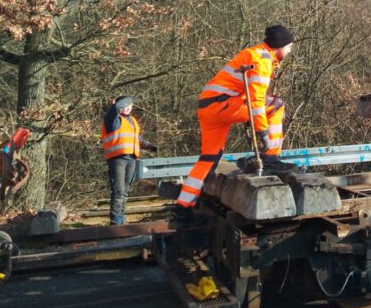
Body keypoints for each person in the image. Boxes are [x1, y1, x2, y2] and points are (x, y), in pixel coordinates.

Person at [172, 24, 294, 222]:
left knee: (209, 157)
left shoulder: (254, 53)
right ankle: (271, 158)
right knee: (276, 105)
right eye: (289, 47)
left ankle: (183, 206)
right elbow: (256, 102)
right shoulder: (262, 59)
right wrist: (262, 130)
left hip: (209, 107)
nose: (290, 51)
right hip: (223, 105)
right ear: (280, 47)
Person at [101, 96, 157, 225]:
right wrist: (121, 102)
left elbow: (138, 139)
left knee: (125, 191)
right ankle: (116, 221)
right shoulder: (113, 119)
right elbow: (115, 109)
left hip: (131, 158)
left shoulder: (132, 120)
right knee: (119, 190)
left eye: (130, 106)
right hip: (117, 159)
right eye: (125, 105)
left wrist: (151, 147)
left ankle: (121, 218)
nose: (127, 108)